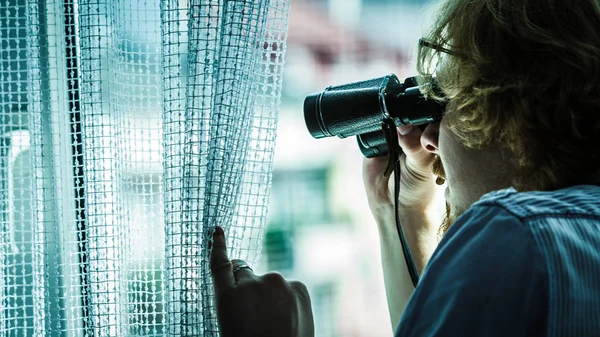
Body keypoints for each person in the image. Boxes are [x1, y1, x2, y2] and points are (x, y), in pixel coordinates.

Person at [209, 0, 600, 335]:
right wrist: (399, 212)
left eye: (445, 104)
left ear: (504, 107)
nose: (430, 139)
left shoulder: (514, 233)